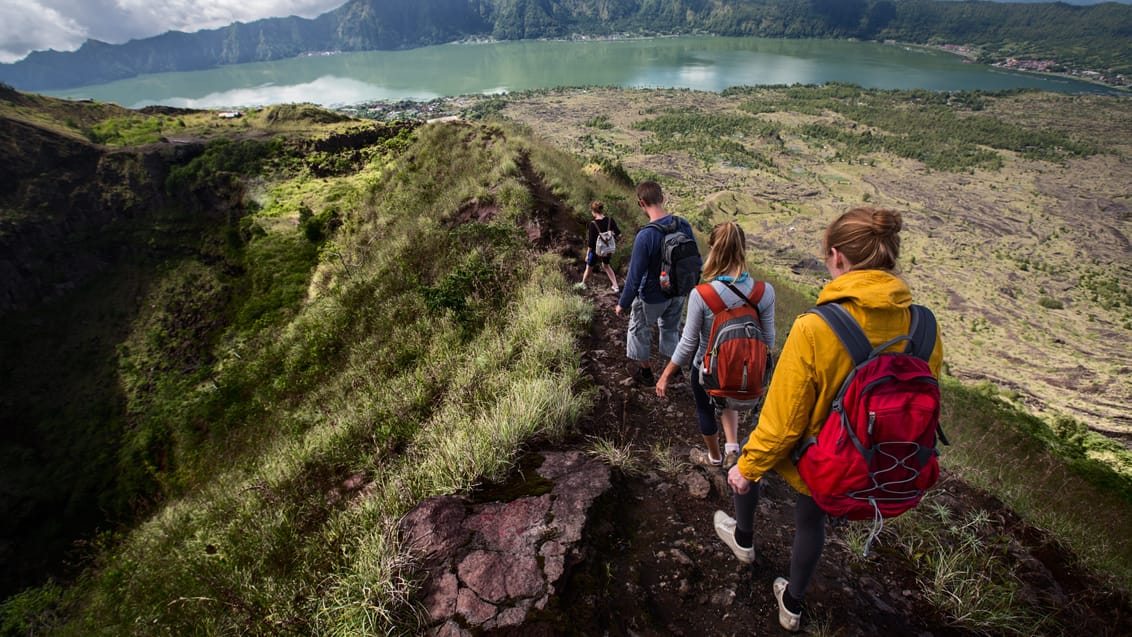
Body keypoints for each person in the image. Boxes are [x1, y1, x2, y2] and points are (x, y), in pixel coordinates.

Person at [713, 207, 944, 632]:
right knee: (812, 518)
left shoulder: (816, 327)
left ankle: (743, 540)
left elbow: (782, 421)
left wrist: (747, 469)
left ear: (837, 258)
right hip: (876, 460)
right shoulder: (924, 325)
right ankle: (792, 606)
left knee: (752, 458)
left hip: (819, 458)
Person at [654, 222, 776, 470]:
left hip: (707, 371)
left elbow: (688, 343)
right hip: (743, 372)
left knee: (706, 410)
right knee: (728, 394)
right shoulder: (765, 292)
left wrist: (666, 375)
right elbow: (769, 341)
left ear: (713, 249)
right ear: (743, 249)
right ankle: (733, 448)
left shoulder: (702, 294)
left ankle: (714, 458)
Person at [615, 181, 698, 386]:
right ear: (662, 198)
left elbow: (634, 278)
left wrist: (622, 304)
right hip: (679, 292)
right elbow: (695, 260)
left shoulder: (646, 236)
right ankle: (675, 372)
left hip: (652, 296)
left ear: (641, 202)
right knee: (670, 329)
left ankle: (645, 373)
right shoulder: (683, 225)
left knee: (639, 329)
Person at [579, 200, 622, 292]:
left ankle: (583, 284)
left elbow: (591, 242)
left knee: (589, 266)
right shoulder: (610, 220)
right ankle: (616, 286)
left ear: (593, 211)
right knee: (606, 265)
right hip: (608, 249)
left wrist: (587, 254)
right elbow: (619, 234)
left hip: (596, 250)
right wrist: (611, 237)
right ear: (602, 210)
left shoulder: (593, 224)